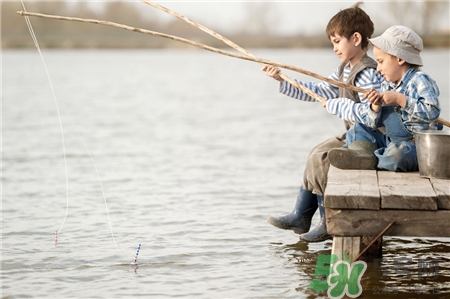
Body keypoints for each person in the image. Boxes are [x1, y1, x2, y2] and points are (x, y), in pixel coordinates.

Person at [262, 2, 383, 242]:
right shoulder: (342, 71)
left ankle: (327, 221)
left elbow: (373, 113)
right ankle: (301, 215)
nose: (334, 48)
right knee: (316, 151)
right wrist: (282, 80)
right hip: (356, 134)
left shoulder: (368, 72)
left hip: (373, 137)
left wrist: (338, 105)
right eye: (332, 43)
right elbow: (318, 91)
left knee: (323, 159)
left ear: (356, 38)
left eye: (337, 41)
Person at [328, 25, 441, 172]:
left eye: (381, 62)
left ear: (400, 59)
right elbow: (374, 123)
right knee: (358, 128)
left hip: (413, 144)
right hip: (389, 140)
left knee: (397, 156)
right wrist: (375, 107)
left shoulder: (420, 80)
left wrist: (401, 100)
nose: (378, 68)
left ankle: (370, 157)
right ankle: (367, 155)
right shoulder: (387, 84)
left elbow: (432, 111)